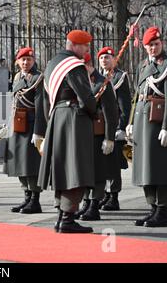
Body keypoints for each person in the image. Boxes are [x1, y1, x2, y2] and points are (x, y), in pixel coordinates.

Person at [38, 30, 97, 233]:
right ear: (74, 45)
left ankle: (62, 216)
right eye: (85, 46)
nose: (88, 50)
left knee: (62, 168)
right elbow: (85, 97)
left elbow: (46, 101)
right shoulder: (74, 65)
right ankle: (68, 219)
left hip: (57, 117)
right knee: (76, 168)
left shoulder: (52, 64)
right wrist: (94, 111)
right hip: (74, 118)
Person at [127, 27, 167, 227]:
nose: (153, 48)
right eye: (149, 45)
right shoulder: (144, 65)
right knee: (146, 169)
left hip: (158, 124)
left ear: (162, 44)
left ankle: (162, 211)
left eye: (156, 44)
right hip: (143, 123)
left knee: (161, 168)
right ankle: (152, 209)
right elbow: (136, 96)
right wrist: (131, 122)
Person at [75, 53, 118, 221]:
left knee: (98, 172)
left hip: (98, 135)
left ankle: (94, 205)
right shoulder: (81, 82)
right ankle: (86, 202)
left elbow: (111, 113)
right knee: (85, 170)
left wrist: (109, 138)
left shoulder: (102, 83)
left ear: (88, 65)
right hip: (84, 134)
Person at [4, 47, 47, 214]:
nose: (25, 62)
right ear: (17, 62)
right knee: (19, 164)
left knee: (31, 164)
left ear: (33, 61)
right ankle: (27, 197)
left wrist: (38, 132)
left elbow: (40, 106)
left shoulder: (38, 78)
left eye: (29, 59)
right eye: (22, 59)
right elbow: (14, 102)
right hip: (18, 124)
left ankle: (35, 200)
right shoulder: (17, 78)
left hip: (30, 126)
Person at [96, 46, 132, 211]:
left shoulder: (119, 77)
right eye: (102, 57)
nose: (104, 60)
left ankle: (113, 196)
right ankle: (104, 195)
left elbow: (124, 105)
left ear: (114, 59)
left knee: (113, 163)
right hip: (99, 127)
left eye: (107, 57)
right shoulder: (97, 77)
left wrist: (121, 127)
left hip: (114, 125)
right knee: (101, 162)